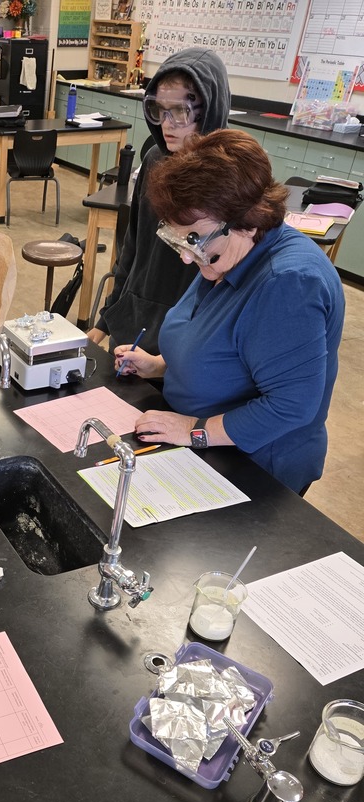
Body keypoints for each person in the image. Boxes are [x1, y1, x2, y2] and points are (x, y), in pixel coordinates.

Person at [114, 129, 345, 495]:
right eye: (179, 238)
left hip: (256, 464)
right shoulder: (226, 253)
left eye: (194, 240)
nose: (186, 256)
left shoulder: (288, 284)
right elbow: (218, 342)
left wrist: (193, 430)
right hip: (205, 442)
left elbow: (291, 407)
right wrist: (159, 364)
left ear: (247, 220)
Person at [88, 47, 230, 356]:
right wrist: (106, 320)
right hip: (134, 321)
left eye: (179, 111)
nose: (167, 124)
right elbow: (134, 247)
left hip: (189, 335)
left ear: (208, 110)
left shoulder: (229, 175)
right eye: (159, 110)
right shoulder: (154, 159)